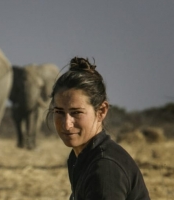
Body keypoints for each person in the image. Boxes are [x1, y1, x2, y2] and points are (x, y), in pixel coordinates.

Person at [46, 57, 150, 200]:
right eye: (59, 112)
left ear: (101, 111)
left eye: (76, 112)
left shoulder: (105, 168)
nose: (66, 124)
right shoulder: (80, 157)